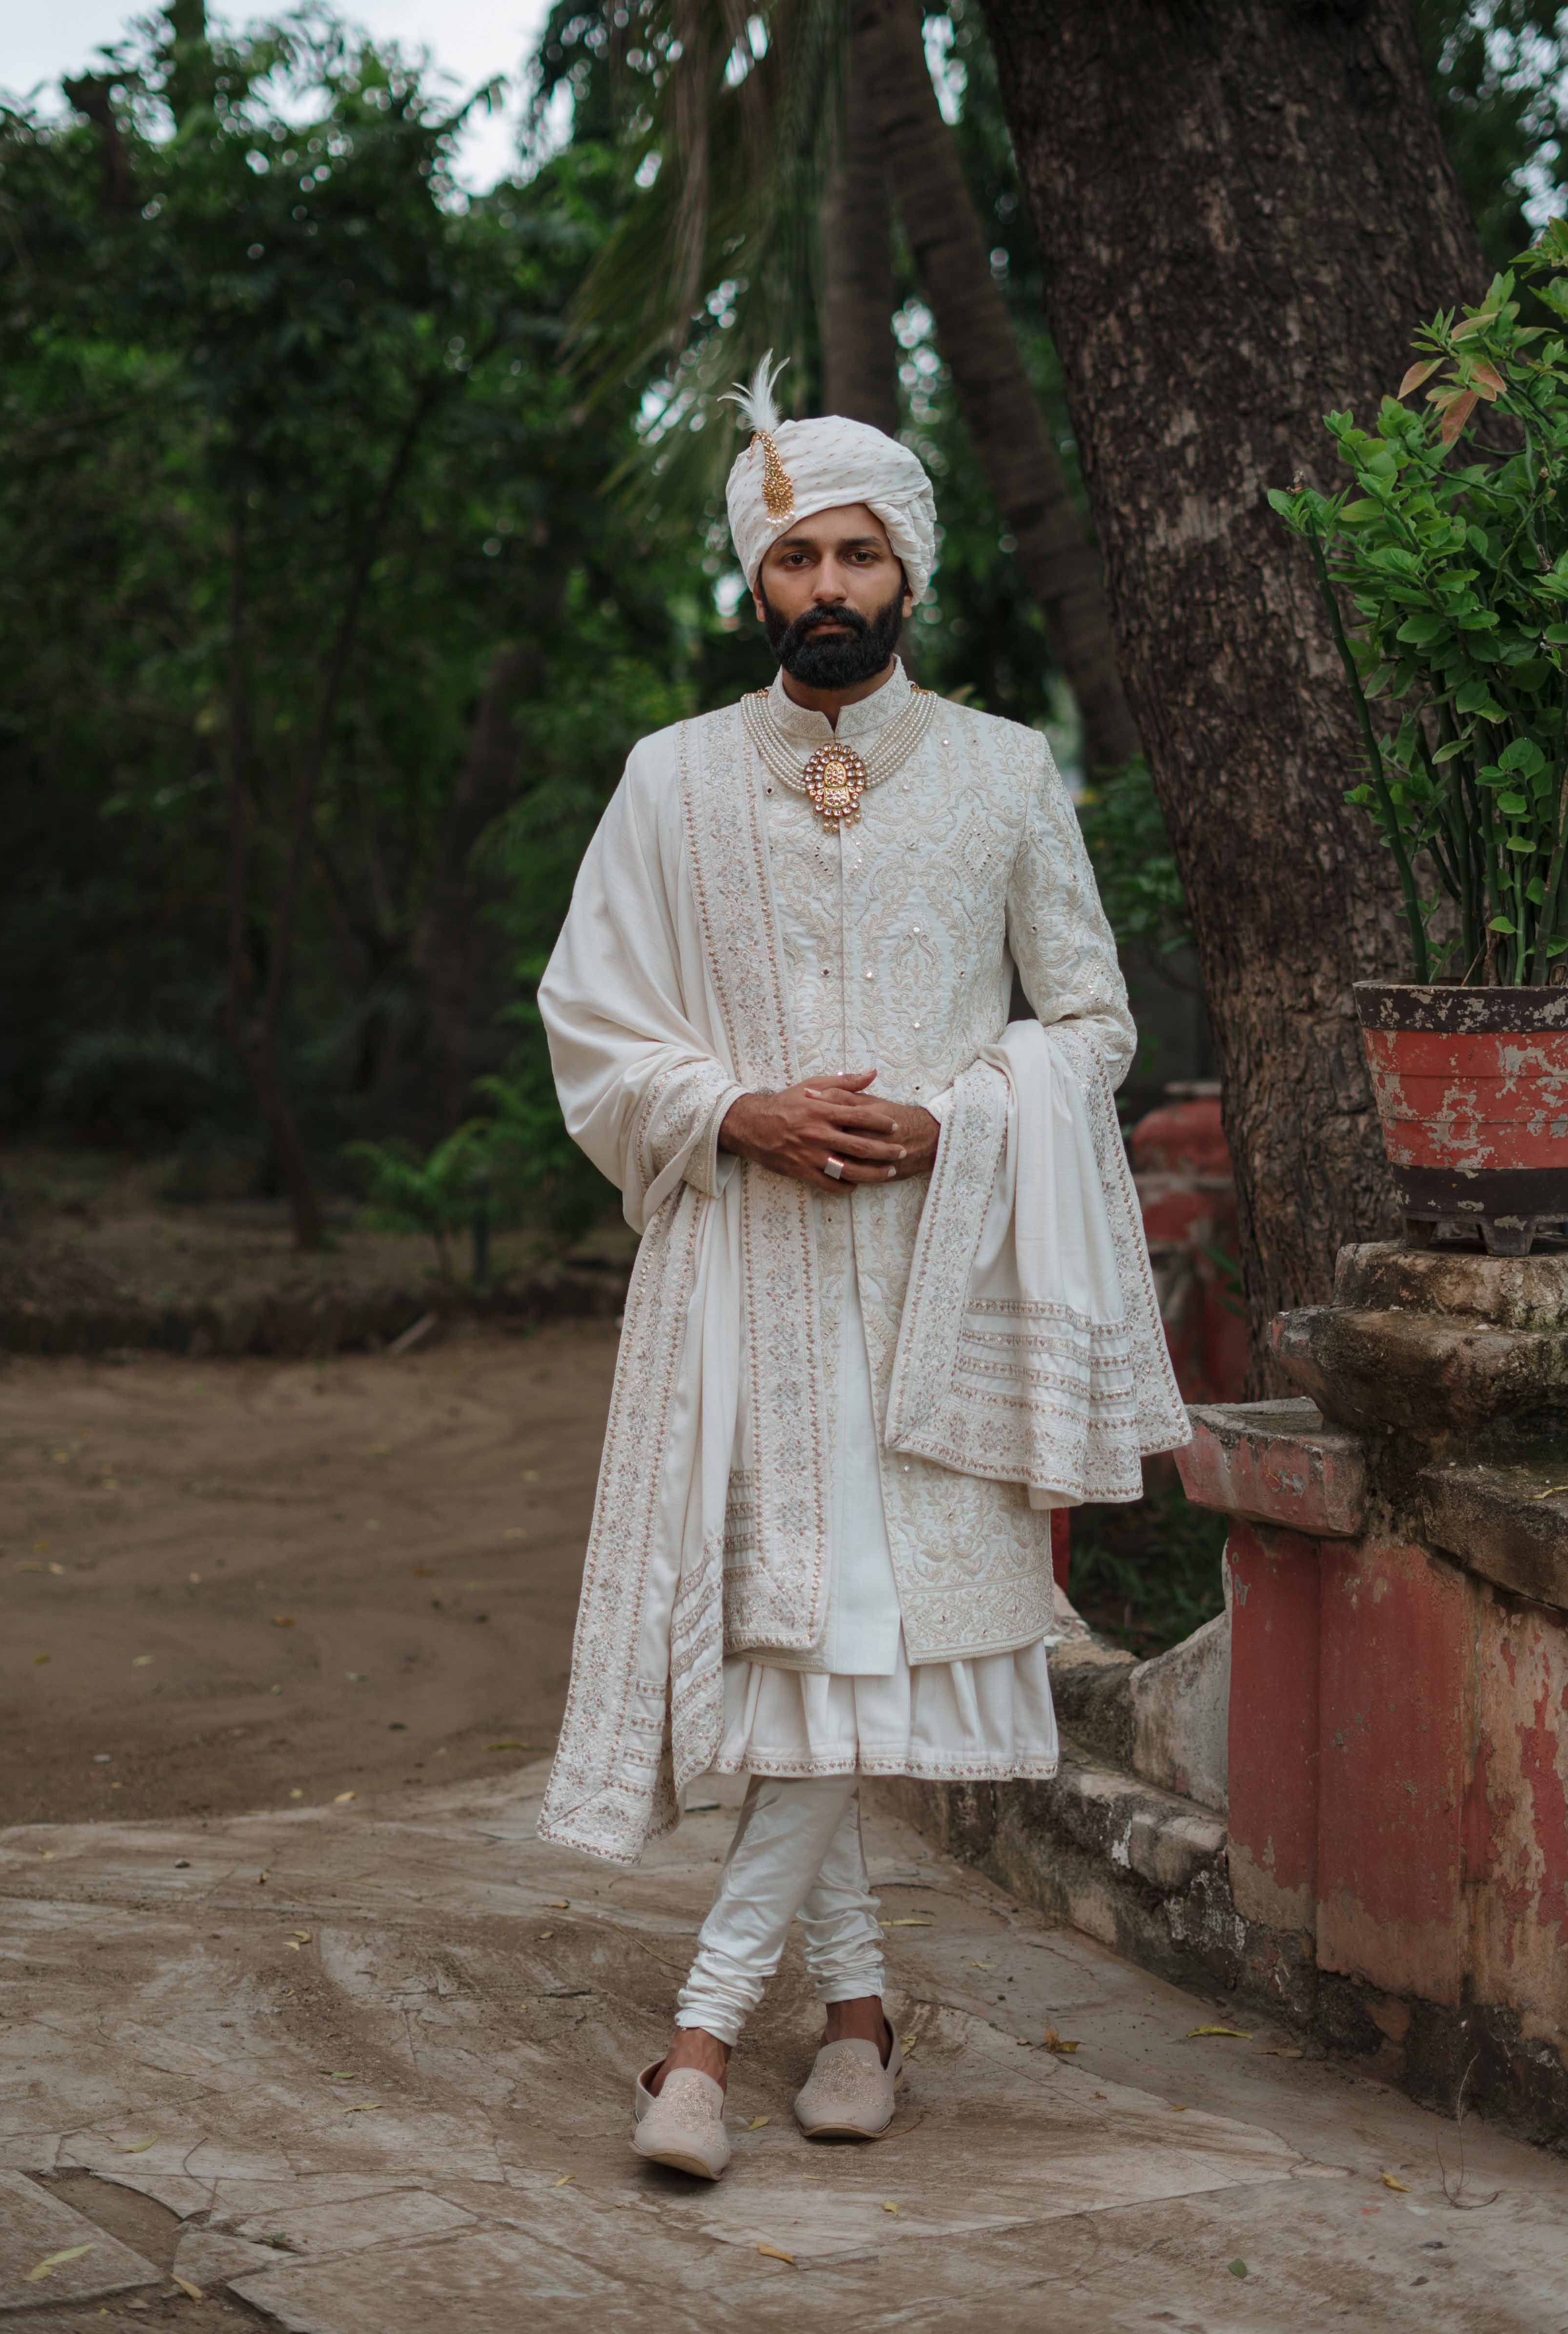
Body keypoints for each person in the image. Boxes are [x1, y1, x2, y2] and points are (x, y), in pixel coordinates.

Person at [537, 354, 1187, 2181]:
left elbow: (1091, 1018)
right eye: (792, 560)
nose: (825, 589)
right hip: (738, 1280)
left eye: (855, 555)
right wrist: (733, 1108)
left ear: (908, 569)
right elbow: (590, 1025)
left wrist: (954, 1118)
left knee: (848, 1648)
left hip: (934, 1282)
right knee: (799, 1648)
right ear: (754, 583)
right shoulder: (667, 785)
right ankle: (855, 2019)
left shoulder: (997, 772)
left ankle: (694, 2040)